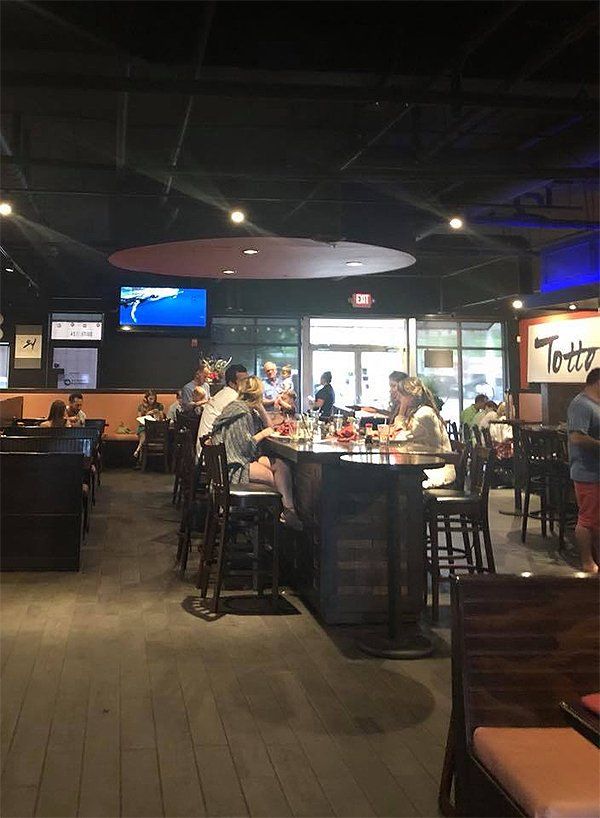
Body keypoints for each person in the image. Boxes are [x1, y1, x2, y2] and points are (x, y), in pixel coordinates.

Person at [211, 376, 302, 529]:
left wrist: (260, 408)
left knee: (280, 464)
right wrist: (263, 434)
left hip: (236, 462)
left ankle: (288, 512)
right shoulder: (241, 412)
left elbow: (269, 426)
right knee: (276, 484)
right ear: (257, 394)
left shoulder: (245, 409)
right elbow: (245, 447)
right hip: (233, 469)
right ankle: (271, 529)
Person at [392, 376, 455, 488]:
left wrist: (402, 409)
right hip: (428, 467)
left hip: (436, 472)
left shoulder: (424, 414)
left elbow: (399, 438)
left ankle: (408, 505)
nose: (398, 399)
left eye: (401, 396)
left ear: (410, 397)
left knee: (394, 481)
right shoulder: (421, 411)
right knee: (395, 479)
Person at [567, 367, 600, 573]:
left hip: (595, 471)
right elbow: (576, 437)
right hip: (587, 471)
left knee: (595, 519)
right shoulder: (581, 404)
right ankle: (587, 562)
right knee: (587, 519)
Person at [196, 363, 248, 455]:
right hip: (214, 458)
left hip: (206, 453)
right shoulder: (233, 398)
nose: (248, 384)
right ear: (232, 383)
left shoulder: (224, 393)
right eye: (243, 381)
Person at [133, 389, 165, 463]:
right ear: (146, 398)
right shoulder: (141, 406)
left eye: (154, 398)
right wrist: (147, 414)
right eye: (150, 399)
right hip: (143, 427)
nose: (152, 401)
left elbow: (162, 419)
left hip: (155, 427)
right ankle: (140, 459)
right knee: (143, 433)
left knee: (147, 434)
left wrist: (158, 413)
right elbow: (139, 419)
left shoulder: (159, 405)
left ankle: (138, 454)